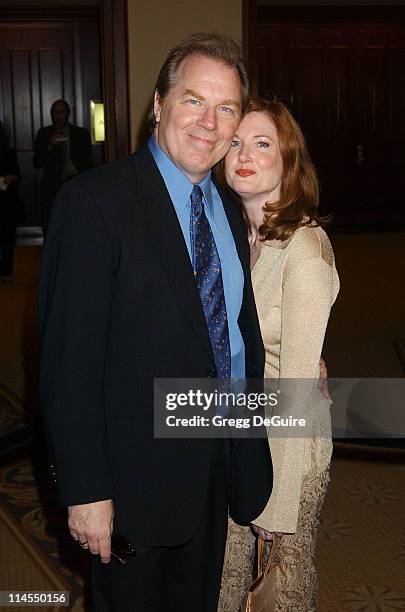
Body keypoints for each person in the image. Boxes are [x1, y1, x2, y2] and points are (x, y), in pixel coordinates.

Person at [39, 34, 273, 612]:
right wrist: (88, 490)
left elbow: (234, 339)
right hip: (130, 488)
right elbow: (69, 363)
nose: (210, 123)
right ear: (159, 104)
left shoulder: (228, 207)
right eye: (194, 100)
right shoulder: (95, 203)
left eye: (227, 109)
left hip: (215, 471)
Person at [218, 98, 340, 611]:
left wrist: (276, 501)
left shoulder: (305, 252)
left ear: (288, 160)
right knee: (224, 573)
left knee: (278, 591)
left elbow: (295, 396)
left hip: (287, 449)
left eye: (262, 143)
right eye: (236, 143)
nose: (245, 154)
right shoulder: (232, 236)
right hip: (237, 425)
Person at [33, 99, 92, 237]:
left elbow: (88, 163)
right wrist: (49, 145)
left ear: (68, 114)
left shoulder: (81, 134)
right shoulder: (44, 133)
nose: (58, 116)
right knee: (50, 225)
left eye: (62, 112)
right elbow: (36, 163)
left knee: (76, 224)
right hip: (52, 186)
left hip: (76, 183)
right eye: (55, 113)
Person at [0, 121, 20, 283]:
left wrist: (11, 178)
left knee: (7, 237)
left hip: (6, 199)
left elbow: (17, 174)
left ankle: (6, 271)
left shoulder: (9, 152)